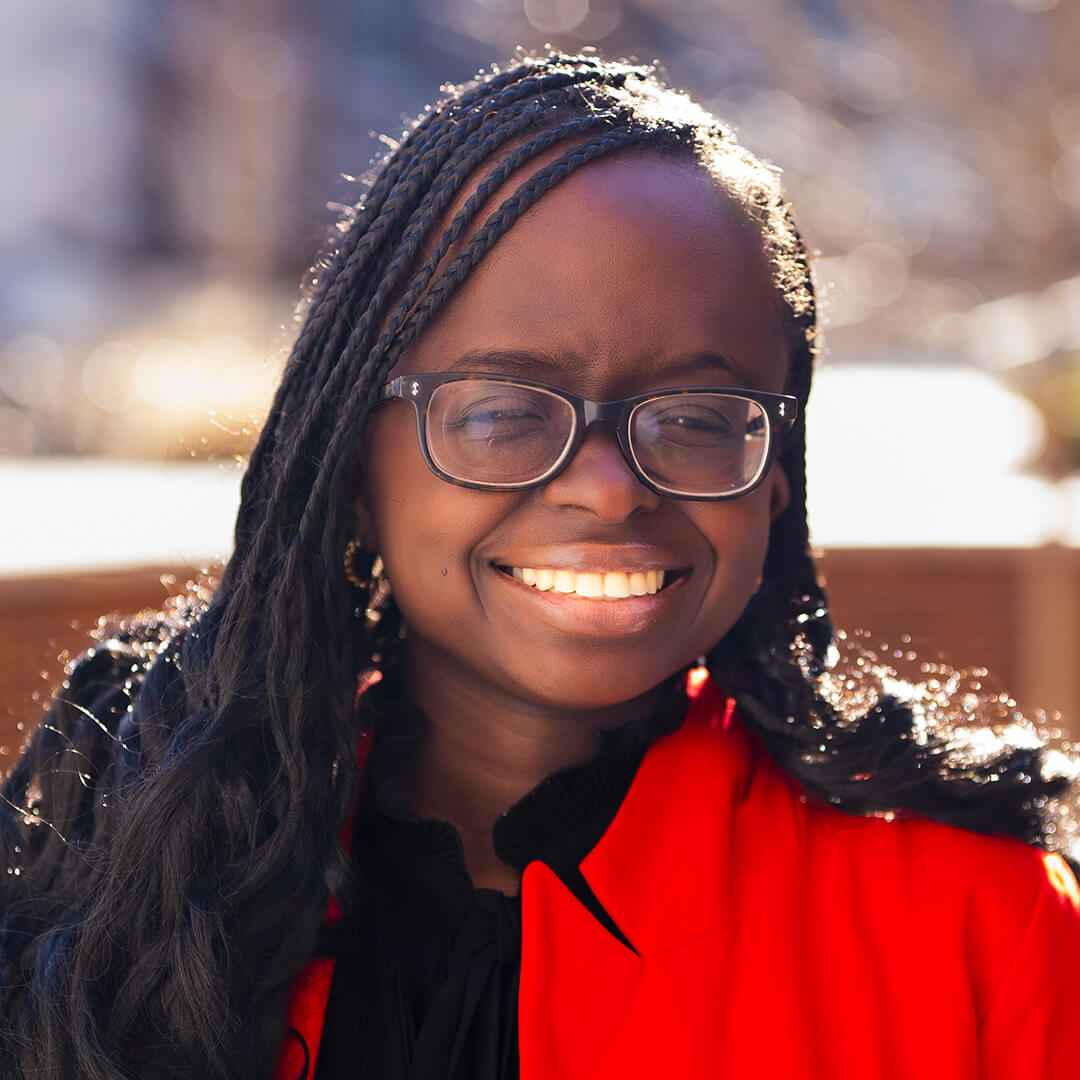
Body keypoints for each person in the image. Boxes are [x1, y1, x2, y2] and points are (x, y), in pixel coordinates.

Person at [2, 52, 1079, 1080]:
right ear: (354, 460)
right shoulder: (127, 871)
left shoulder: (981, 925)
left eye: (699, 416)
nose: (610, 487)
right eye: (505, 410)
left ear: (775, 475)